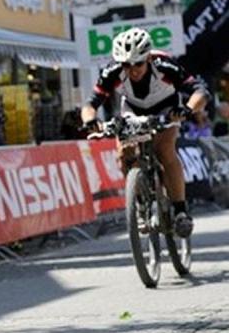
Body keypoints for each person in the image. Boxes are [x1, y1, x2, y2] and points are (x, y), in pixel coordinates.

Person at [81, 27, 209, 237]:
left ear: (148, 58)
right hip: (133, 109)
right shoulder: (113, 71)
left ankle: (180, 210)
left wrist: (186, 110)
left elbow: (200, 91)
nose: (133, 70)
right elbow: (90, 103)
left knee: (164, 149)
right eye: (127, 65)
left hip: (167, 108)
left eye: (138, 63)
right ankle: (140, 202)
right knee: (124, 152)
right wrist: (90, 121)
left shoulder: (164, 64)